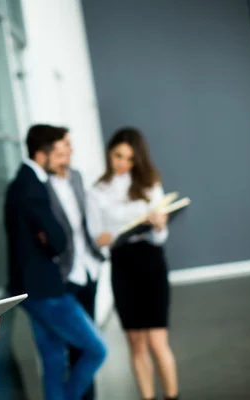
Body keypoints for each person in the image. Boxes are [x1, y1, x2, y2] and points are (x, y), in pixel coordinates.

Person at [5, 124, 107, 400]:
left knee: (53, 360)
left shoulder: (22, 182)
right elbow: (59, 239)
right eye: (59, 155)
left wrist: (48, 236)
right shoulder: (32, 186)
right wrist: (51, 237)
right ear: (42, 155)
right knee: (97, 349)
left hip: (32, 288)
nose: (65, 160)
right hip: (45, 290)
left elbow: (51, 235)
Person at [88, 127, 178, 400]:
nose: (123, 163)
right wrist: (101, 239)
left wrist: (160, 225)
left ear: (138, 159)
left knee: (157, 341)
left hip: (151, 263)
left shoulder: (150, 183)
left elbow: (160, 238)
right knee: (136, 342)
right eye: (118, 156)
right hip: (123, 266)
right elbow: (96, 237)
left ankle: (173, 396)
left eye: (129, 158)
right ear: (109, 153)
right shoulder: (97, 191)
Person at [46, 126, 107, 400]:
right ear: (49, 151)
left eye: (69, 145)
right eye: (64, 146)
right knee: (73, 347)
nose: (70, 150)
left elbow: (85, 222)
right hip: (64, 277)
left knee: (87, 346)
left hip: (88, 271)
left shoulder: (77, 177)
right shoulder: (43, 187)